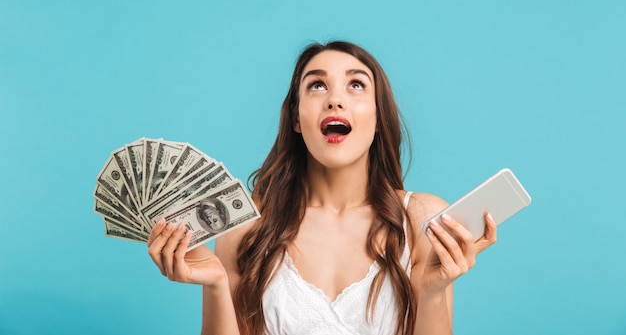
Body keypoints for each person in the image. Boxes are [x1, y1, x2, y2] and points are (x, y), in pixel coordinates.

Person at [147, 41, 497, 335]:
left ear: (377, 118)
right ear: (297, 119)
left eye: (356, 85)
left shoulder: (422, 218)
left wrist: (434, 292)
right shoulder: (247, 225)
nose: (335, 99)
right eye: (317, 85)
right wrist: (216, 285)